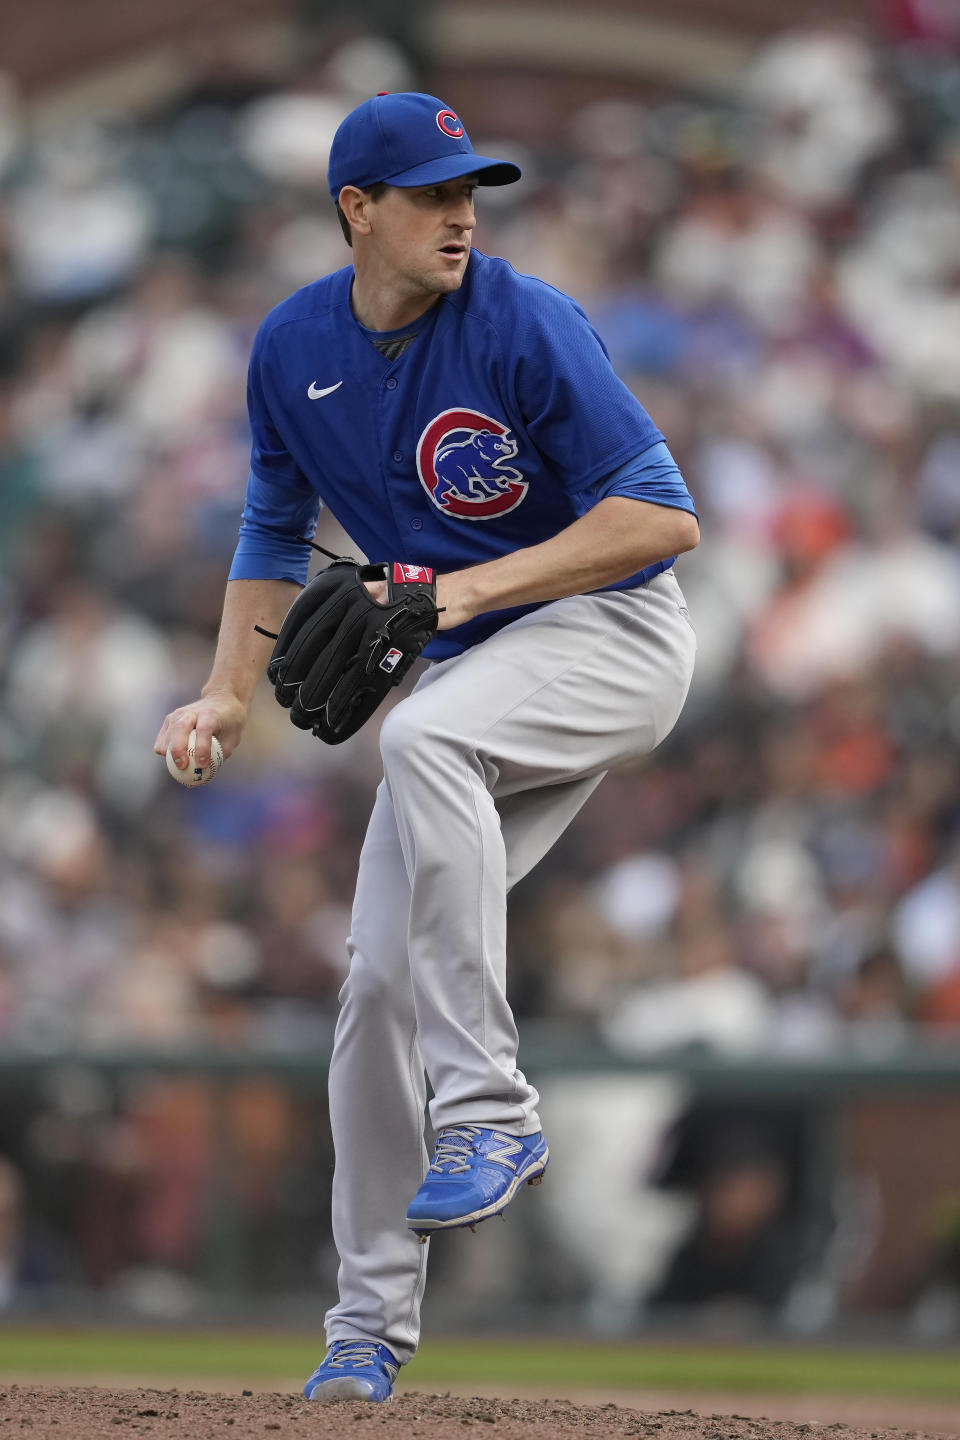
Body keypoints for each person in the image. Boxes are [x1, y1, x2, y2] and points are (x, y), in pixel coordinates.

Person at [154, 91, 699, 1402]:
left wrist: (452, 596)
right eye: (434, 192)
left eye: (473, 191)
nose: (463, 213)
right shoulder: (293, 349)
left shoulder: (520, 321)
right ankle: (364, 1331)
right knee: (376, 987)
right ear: (359, 208)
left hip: (615, 636)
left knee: (427, 735)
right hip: (486, 674)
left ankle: (493, 1113)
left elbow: (661, 519)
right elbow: (273, 532)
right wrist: (229, 693)